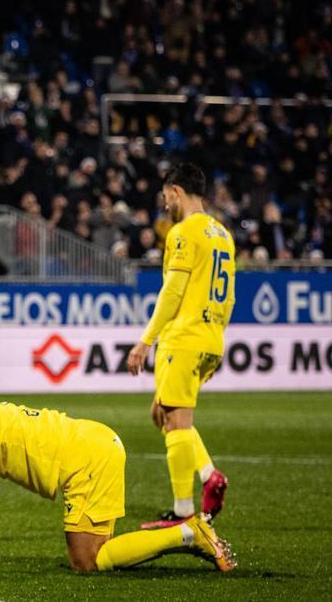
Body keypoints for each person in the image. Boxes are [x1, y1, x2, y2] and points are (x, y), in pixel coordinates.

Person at [0, 389, 236, 574]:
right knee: (102, 554)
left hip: (86, 460)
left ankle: (189, 533)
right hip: (94, 443)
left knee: (88, 561)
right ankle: (192, 538)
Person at [128, 163, 235, 529]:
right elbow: (230, 298)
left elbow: (172, 291)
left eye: (164, 196)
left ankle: (182, 510)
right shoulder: (222, 234)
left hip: (184, 337)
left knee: (174, 421)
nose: (165, 204)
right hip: (210, 339)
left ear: (175, 191)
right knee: (163, 413)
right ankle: (208, 476)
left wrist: (145, 341)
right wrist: (215, 338)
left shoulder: (183, 232)